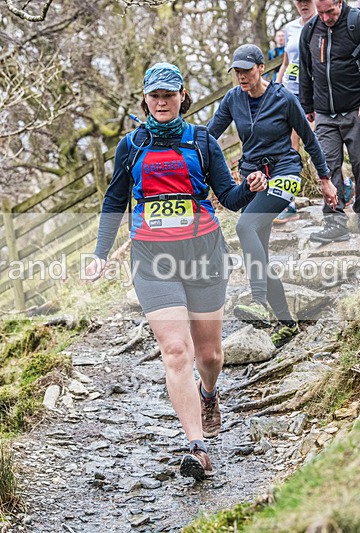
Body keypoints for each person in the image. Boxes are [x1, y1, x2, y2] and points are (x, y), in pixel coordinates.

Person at [84, 63, 266, 481]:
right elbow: (114, 201)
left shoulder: (202, 141)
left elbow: (229, 197)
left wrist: (250, 187)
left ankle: (208, 393)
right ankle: (197, 446)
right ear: (145, 99)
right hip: (152, 259)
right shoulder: (131, 146)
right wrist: (100, 253)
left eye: (169, 94)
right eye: (155, 95)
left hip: (203, 254)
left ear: (183, 96)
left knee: (210, 355)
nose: (162, 102)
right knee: (176, 351)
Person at [208, 44, 332, 346]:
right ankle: (287, 323)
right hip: (253, 178)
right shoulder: (233, 99)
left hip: (285, 173)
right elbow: (208, 135)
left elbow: (309, 139)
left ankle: (259, 301)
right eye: (237, 71)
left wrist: (325, 179)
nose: (241, 76)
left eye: (246, 70)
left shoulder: (283, 98)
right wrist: (179, 145)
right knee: (259, 255)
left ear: (261, 68)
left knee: (244, 226)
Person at [299, 0, 360, 242]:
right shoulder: (310, 31)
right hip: (325, 113)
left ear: (340, 2)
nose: (326, 18)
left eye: (330, 11)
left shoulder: (358, 24)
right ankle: (334, 222)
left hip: (358, 109)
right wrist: (307, 105)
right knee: (327, 168)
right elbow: (305, 70)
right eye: (321, 13)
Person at [275, 0, 319, 224]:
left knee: (318, 142)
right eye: (298, 1)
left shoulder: (324, 22)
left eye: (307, 0)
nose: (303, 4)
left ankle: (342, 184)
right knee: (289, 150)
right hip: (291, 94)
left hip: (317, 94)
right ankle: (288, 201)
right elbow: (286, 62)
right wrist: (276, 87)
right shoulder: (290, 27)